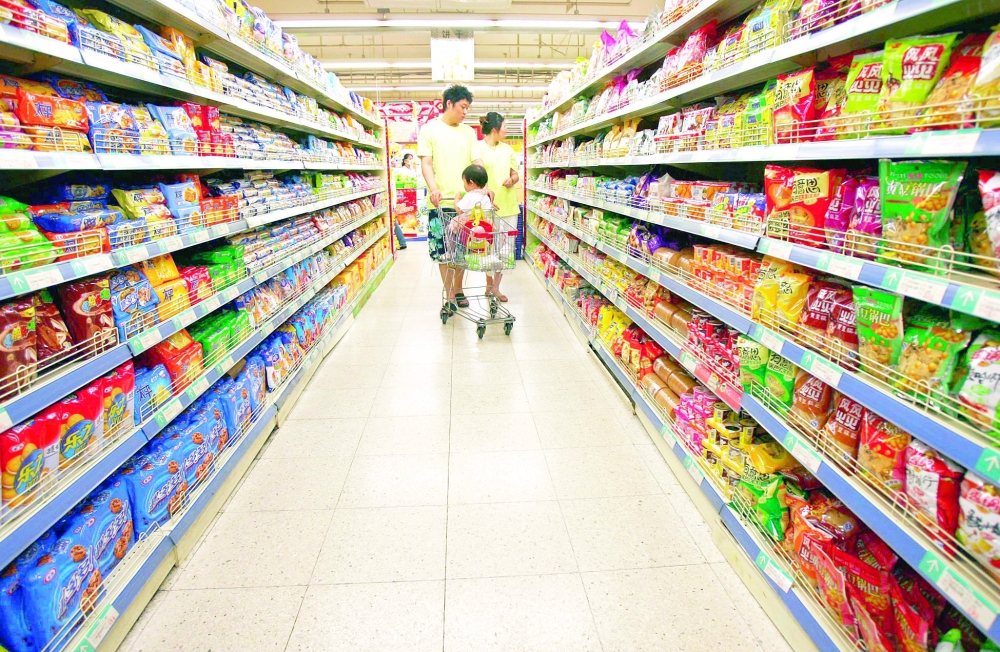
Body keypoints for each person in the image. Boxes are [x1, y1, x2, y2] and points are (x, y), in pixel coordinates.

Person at [418, 85, 477, 309]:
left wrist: (483, 187)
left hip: (465, 204)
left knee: (461, 251)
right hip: (439, 203)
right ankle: (449, 293)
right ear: (449, 104)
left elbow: (476, 163)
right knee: (443, 252)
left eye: (467, 108)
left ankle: (459, 289)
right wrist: (433, 188)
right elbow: (426, 163)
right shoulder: (429, 130)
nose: (465, 112)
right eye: (462, 107)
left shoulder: (469, 132)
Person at [472, 111, 519, 302]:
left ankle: (496, 288)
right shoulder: (477, 148)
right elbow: (478, 175)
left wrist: (512, 179)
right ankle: (488, 284)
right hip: (488, 207)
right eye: (505, 126)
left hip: (509, 205)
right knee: (489, 248)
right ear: (495, 129)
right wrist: (486, 191)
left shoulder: (507, 149)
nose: (507, 130)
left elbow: (516, 174)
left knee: (505, 251)